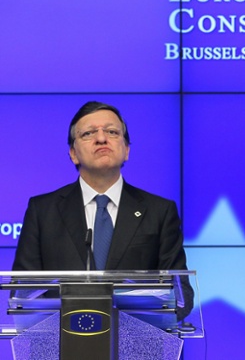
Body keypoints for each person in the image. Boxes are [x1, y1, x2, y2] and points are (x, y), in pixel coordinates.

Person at [12, 101, 193, 320]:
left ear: (126, 150)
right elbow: (22, 294)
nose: (101, 138)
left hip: (135, 347)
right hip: (64, 347)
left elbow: (181, 296)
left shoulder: (159, 212)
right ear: (73, 153)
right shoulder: (42, 210)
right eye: (88, 133)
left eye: (112, 132)